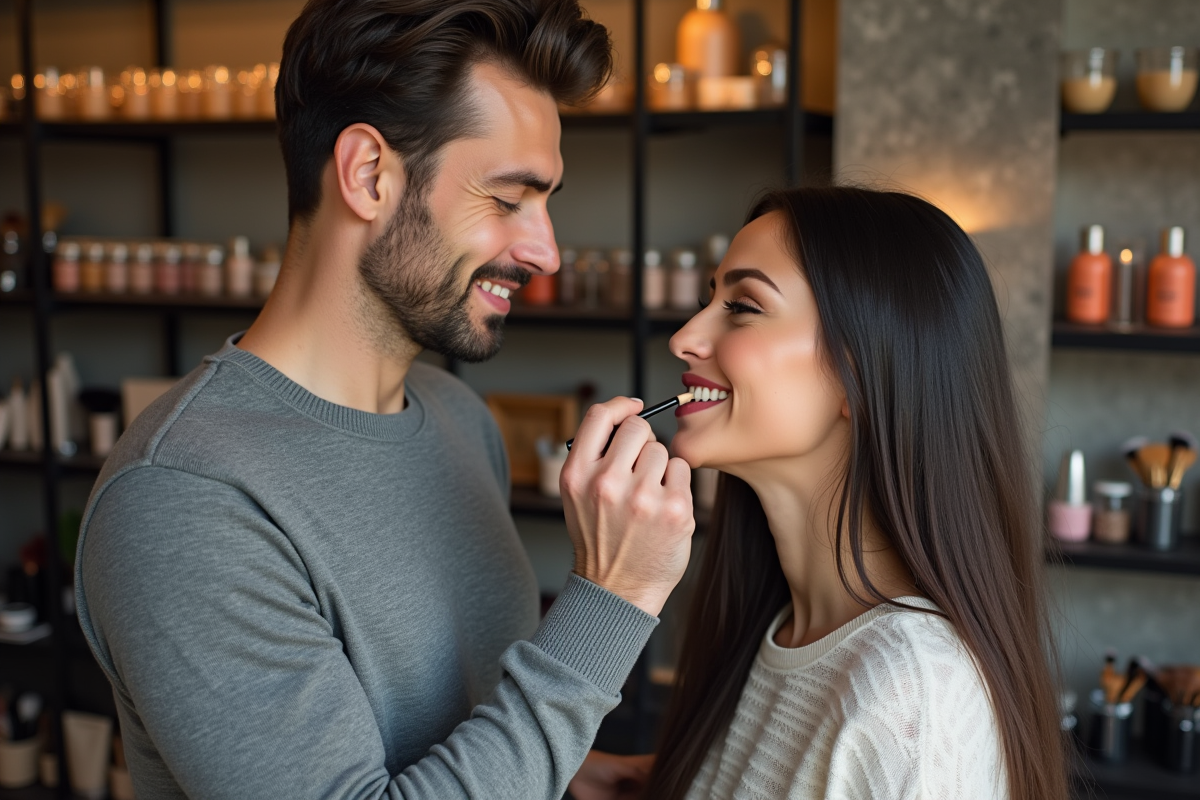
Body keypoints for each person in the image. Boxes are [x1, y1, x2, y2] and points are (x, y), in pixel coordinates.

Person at [73, 1, 693, 798]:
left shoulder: (461, 420)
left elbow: (446, 736)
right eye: (508, 199)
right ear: (369, 174)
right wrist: (611, 601)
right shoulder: (184, 498)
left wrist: (566, 775)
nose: (546, 252)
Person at [642, 186, 1068, 800]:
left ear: (857, 375)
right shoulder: (778, 629)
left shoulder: (911, 695)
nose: (686, 337)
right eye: (712, 297)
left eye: (743, 306)